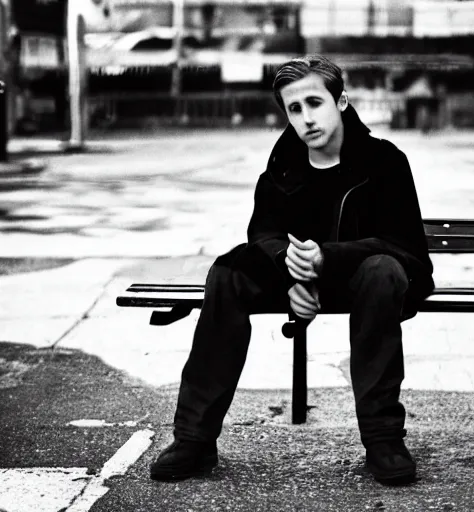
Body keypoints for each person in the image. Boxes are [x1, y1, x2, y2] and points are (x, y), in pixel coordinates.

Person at [150, 54, 435, 486]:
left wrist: (325, 261)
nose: (306, 118)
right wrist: (292, 276)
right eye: (294, 109)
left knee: (383, 271)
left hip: (365, 285)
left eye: (315, 103)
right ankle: (194, 439)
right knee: (227, 273)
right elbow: (262, 235)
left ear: (341, 101)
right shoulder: (282, 167)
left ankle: (384, 440)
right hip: (297, 282)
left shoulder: (384, 162)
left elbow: (409, 252)